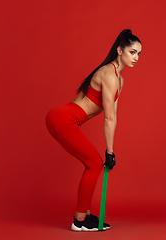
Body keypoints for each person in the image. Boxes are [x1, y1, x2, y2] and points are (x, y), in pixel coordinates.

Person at [46, 29, 142, 231]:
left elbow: (112, 116)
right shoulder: (109, 74)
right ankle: (79, 220)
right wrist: (109, 151)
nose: (136, 57)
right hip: (63, 118)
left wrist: (111, 150)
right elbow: (108, 117)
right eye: (132, 52)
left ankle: (85, 215)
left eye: (139, 54)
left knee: (94, 164)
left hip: (64, 118)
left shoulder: (119, 79)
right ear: (119, 50)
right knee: (94, 164)